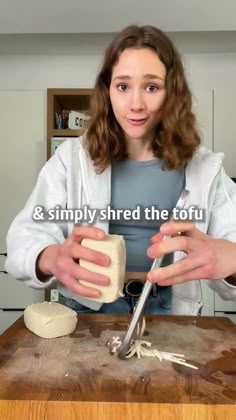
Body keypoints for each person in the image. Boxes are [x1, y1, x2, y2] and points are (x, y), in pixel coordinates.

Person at [5, 25, 236, 316]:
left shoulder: (206, 167)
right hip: (86, 304)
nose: (136, 104)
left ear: (172, 93)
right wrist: (50, 257)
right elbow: (25, 236)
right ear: (108, 91)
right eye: (123, 86)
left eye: (151, 87)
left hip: (168, 306)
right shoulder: (70, 159)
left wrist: (232, 259)